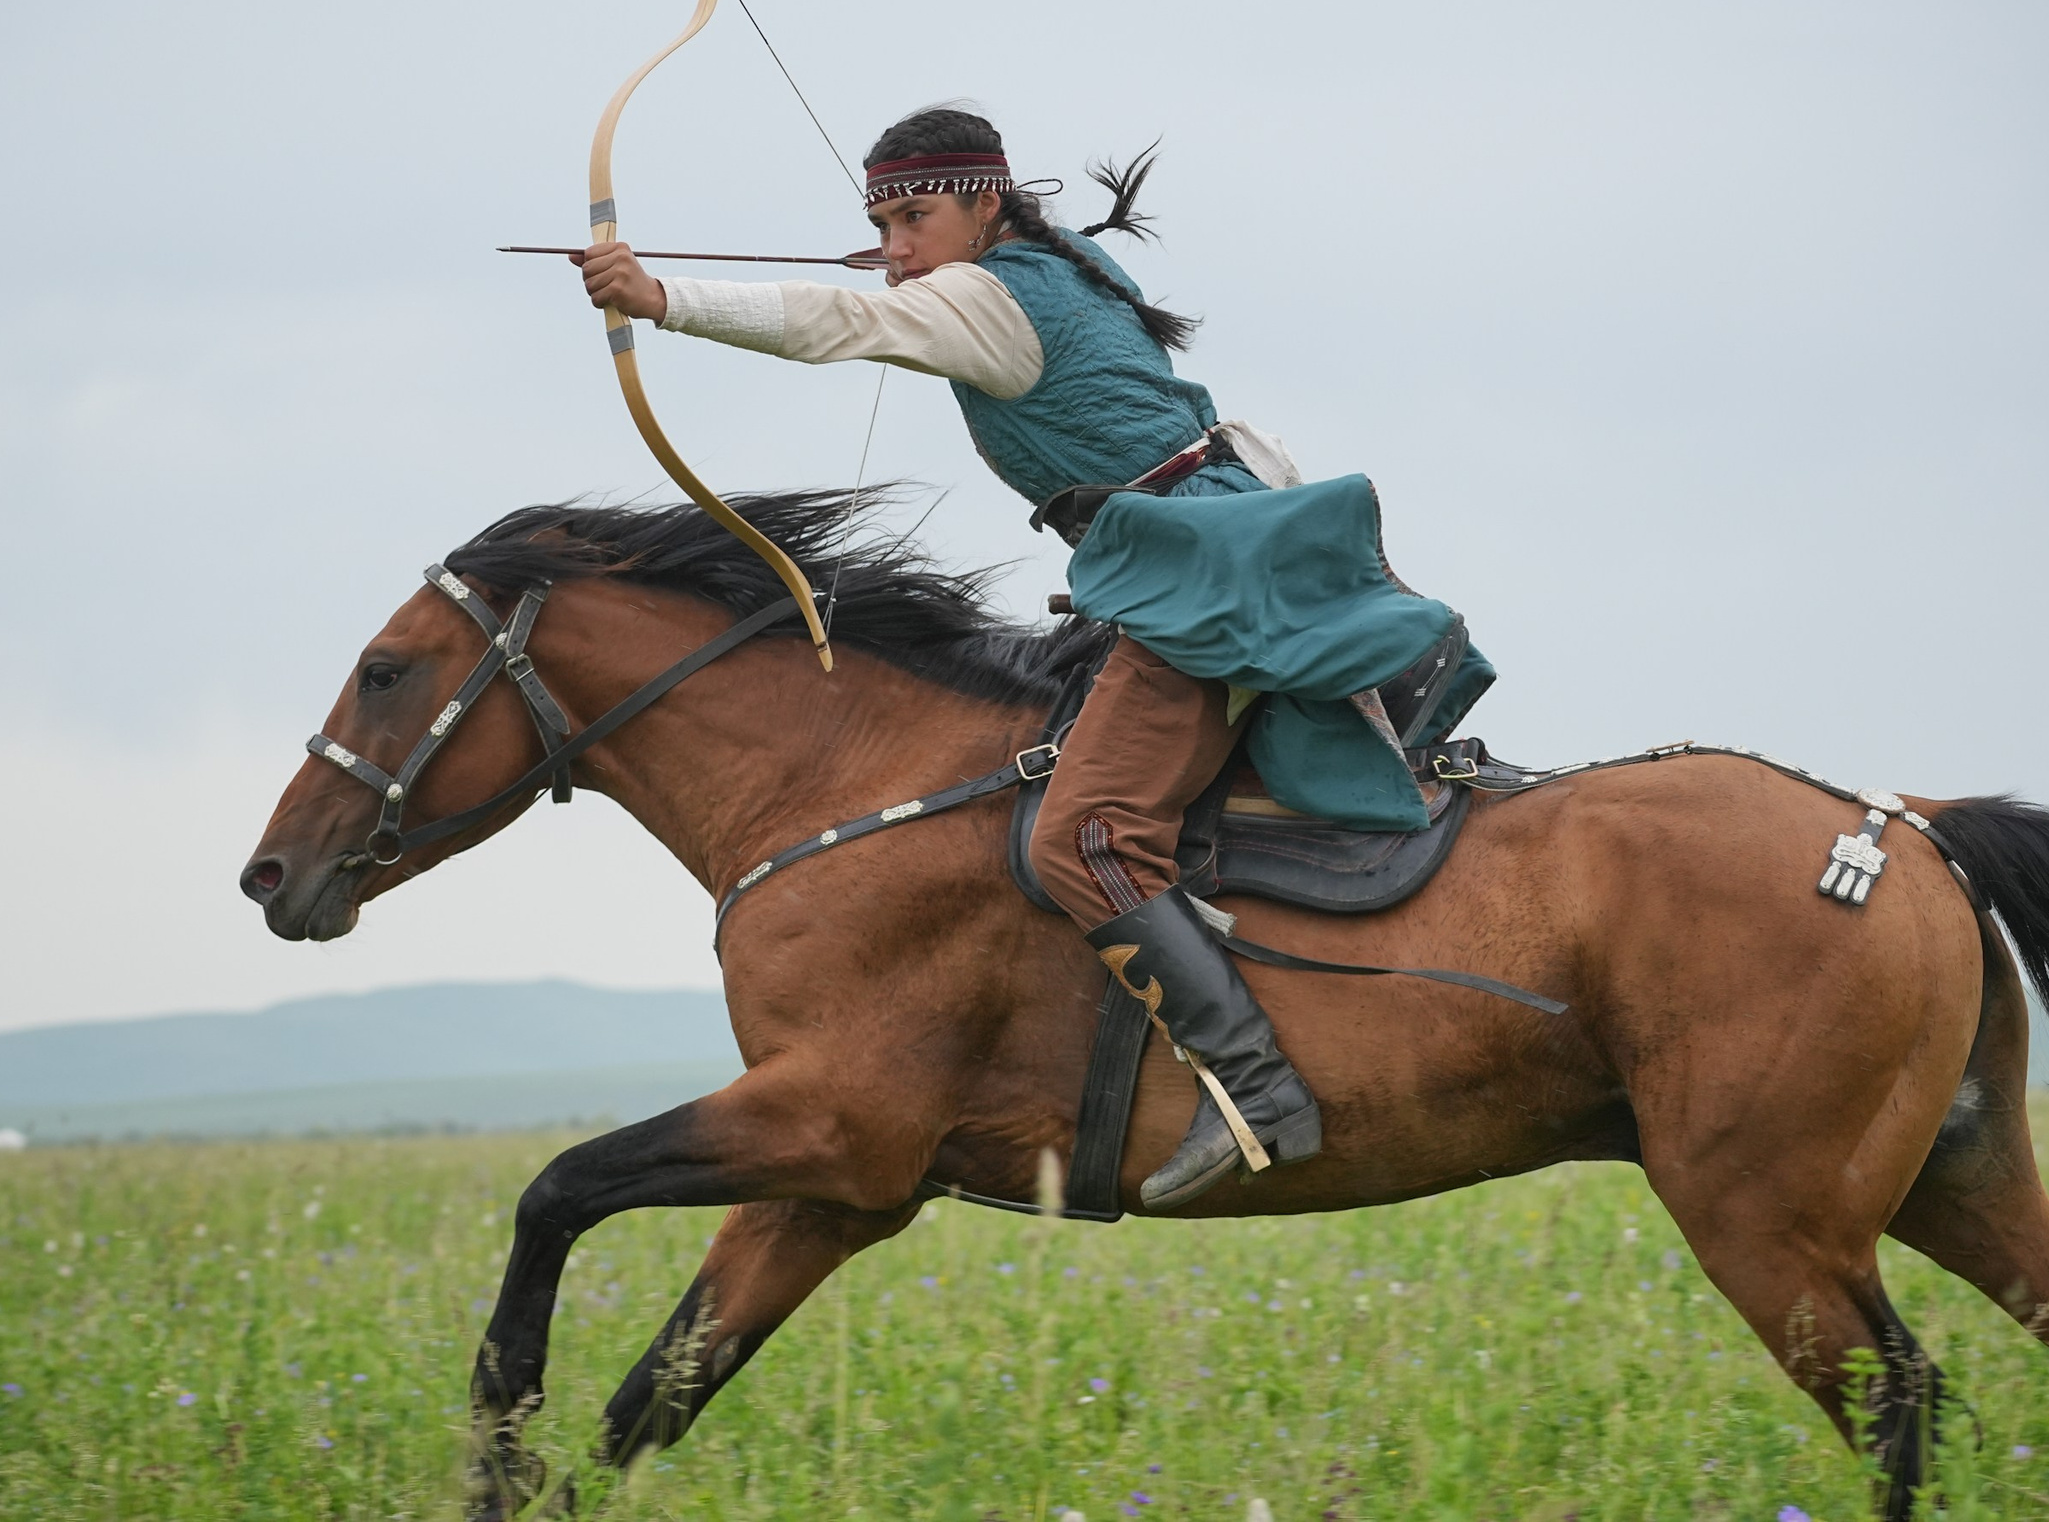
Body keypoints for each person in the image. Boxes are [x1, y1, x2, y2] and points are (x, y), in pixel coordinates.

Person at [577, 107, 1490, 1210]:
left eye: (916, 215)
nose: (898, 244)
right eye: (881, 222)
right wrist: (918, 262)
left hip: (1193, 576)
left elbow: (835, 322)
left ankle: (1257, 1089)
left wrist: (662, 298)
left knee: (1085, 836)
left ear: (985, 201)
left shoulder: (987, 296)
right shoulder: (1060, 266)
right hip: (1209, 546)